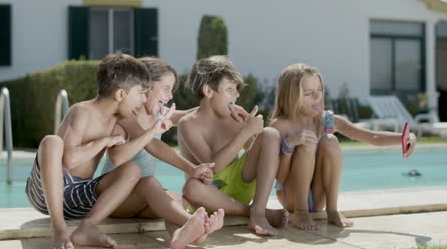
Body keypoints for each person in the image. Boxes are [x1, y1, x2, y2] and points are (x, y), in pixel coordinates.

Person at [26, 54, 152, 249]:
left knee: (132, 170)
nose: (143, 100)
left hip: (79, 199)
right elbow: (69, 161)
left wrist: (155, 130)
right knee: (52, 142)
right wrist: (105, 140)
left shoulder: (121, 119)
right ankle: (59, 228)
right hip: (47, 193)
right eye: (141, 93)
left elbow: (147, 145)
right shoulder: (81, 111)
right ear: (120, 95)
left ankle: (88, 226)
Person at [270, 63, 417, 230]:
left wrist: (405, 137)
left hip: (319, 196)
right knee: (306, 145)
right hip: (291, 197)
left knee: (330, 140)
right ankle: (302, 212)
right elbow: (280, 177)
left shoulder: (325, 120)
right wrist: (289, 145)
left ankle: (332, 210)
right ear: (291, 97)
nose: (317, 96)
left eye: (319, 89)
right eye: (308, 93)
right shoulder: (281, 126)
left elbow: (371, 136)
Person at [101, 57, 224, 249]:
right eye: (166, 88)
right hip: (116, 199)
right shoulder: (126, 116)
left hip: (141, 199)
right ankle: (197, 224)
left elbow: (189, 115)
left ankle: (179, 236)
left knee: (176, 200)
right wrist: (193, 169)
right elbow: (153, 146)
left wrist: (220, 107)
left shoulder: (157, 113)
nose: (169, 96)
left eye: (171, 90)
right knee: (150, 183)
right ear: (146, 84)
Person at [179, 56, 288, 236]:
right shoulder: (188, 123)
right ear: (208, 91)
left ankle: (258, 211)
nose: (236, 95)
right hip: (209, 196)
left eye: (236, 89)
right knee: (191, 187)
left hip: (240, 187)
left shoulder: (235, 119)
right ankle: (253, 211)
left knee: (270, 134)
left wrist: (252, 131)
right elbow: (213, 167)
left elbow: (259, 159)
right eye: (230, 89)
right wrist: (245, 132)